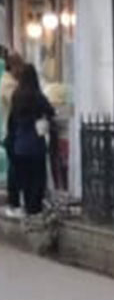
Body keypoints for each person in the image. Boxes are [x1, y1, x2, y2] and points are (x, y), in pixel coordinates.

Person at [5, 64, 54, 217]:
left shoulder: (16, 95)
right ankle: (35, 210)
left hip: (20, 145)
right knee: (37, 180)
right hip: (35, 145)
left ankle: (26, 208)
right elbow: (50, 111)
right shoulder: (37, 96)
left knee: (25, 181)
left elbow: (11, 121)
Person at [2, 50, 23, 215]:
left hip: (14, 130)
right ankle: (14, 201)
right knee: (14, 168)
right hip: (11, 130)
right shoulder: (8, 84)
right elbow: (16, 103)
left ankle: (16, 200)